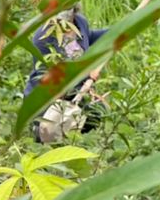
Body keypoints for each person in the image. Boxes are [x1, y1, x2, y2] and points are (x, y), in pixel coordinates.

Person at [24, 8, 107, 143]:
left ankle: (78, 143)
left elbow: (89, 36)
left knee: (98, 111)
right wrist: (87, 74)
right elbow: (47, 78)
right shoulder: (43, 38)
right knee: (50, 134)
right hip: (49, 98)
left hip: (76, 93)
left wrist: (119, 30)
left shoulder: (80, 22)